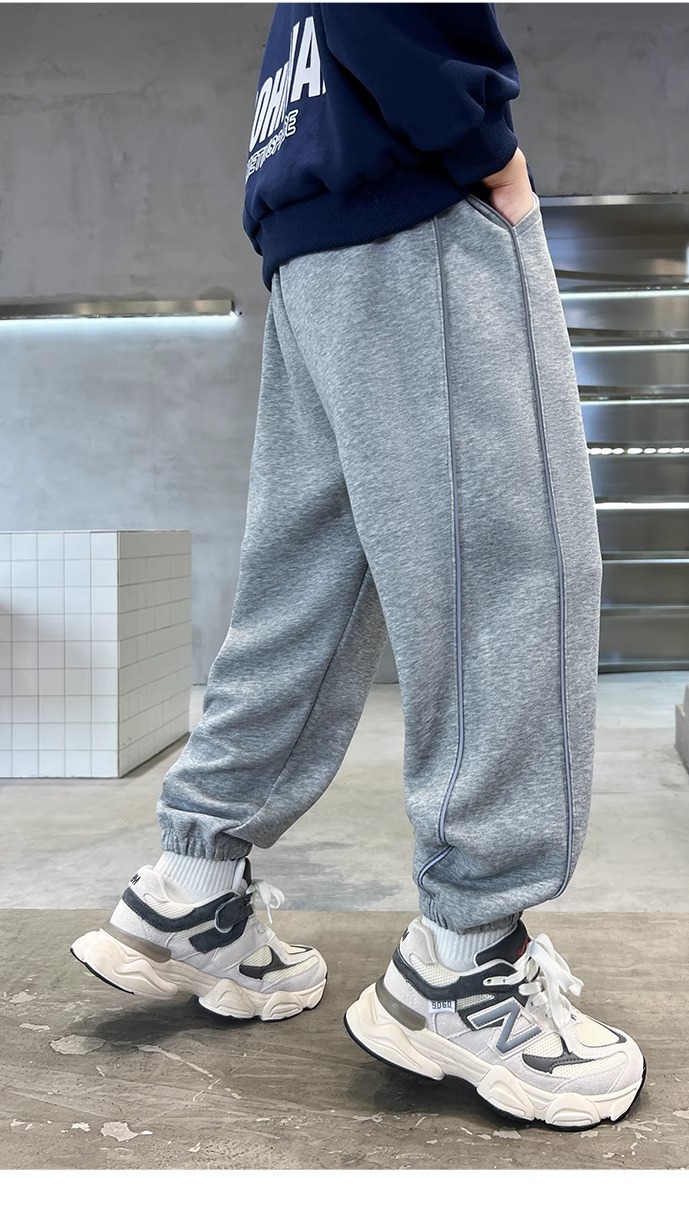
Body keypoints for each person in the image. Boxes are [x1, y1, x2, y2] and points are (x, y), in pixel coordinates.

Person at [71, 3, 645, 1128]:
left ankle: (195, 885)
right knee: (512, 572)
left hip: (312, 213)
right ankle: (466, 967)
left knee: (311, 577)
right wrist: (483, 144)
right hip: (415, 192)